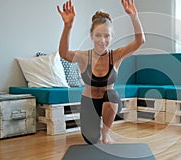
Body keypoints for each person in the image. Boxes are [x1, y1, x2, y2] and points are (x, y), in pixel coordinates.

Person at [57, 0, 145, 144]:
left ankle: (106, 133)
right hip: (89, 103)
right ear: (91, 35)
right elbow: (64, 53)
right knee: (91, 140)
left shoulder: (116, 56)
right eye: (98, 35)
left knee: (112, 93)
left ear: (111, 37)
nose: (102, 41)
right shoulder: (84, 57)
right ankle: (95, 129)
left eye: (106, 36)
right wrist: (68, 26)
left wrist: (134, 16)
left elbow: (140, 41)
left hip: (110, 102)